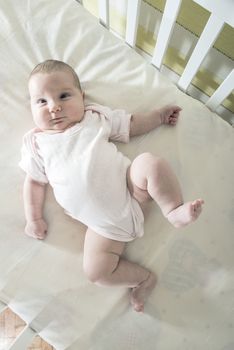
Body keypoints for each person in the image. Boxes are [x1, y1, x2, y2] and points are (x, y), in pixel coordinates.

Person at [19, 59, 204, 312]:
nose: (54, 107)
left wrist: (158, 116)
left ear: (82, 97)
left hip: (132, 189)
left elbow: (132, 124)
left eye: (64, 96)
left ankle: (173, 210)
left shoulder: (94, 117)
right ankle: (143, 279)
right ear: (30, 105)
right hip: (102, 228)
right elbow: (34, 183)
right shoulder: (36, 144)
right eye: (41, 101)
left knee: (150, 163)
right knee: (95, 271)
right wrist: (34, 218)